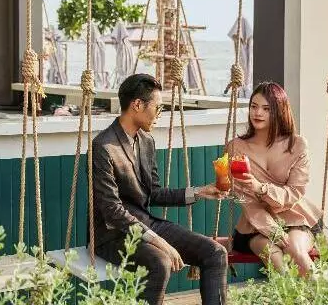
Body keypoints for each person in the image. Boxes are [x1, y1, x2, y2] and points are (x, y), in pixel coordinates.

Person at [93, 73, 229, 305]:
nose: (159, 114)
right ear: (137, 105)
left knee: (215, 253)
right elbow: (112, 211)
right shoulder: (103, 147)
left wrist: (199, 192)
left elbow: (154, 193)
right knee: (160, 262)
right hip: (113, 235)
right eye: (158, 107)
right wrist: (160, 241)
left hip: (147, 224)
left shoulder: (147, 142)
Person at [228, 81, 324, 277]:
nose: (258, 113)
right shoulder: (236, 147)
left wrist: (261, 188)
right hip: (255, 225)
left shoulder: (297, 145)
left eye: (266, 109)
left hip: (296, 218)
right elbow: (246, 200)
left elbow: (295, 192)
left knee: (296, 251)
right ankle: (287, 293)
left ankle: (321, 294)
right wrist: (273, 230)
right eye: (254, 106)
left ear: (279, 111)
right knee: (272, 255)